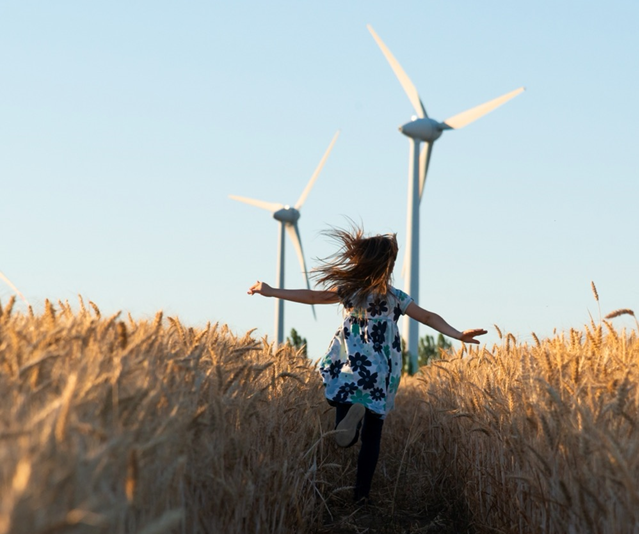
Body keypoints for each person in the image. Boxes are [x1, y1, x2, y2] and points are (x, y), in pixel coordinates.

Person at [247, 226, 487, 504]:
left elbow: (313, 296)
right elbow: (429, 317)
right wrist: (458, 334)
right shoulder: (396, 296)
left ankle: (348, 423)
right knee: (373, 437)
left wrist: (272, 291)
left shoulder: (350, 291)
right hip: (380, 372)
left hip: (351, 364)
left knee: (343, 416)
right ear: (388, 266)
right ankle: (361, 495)